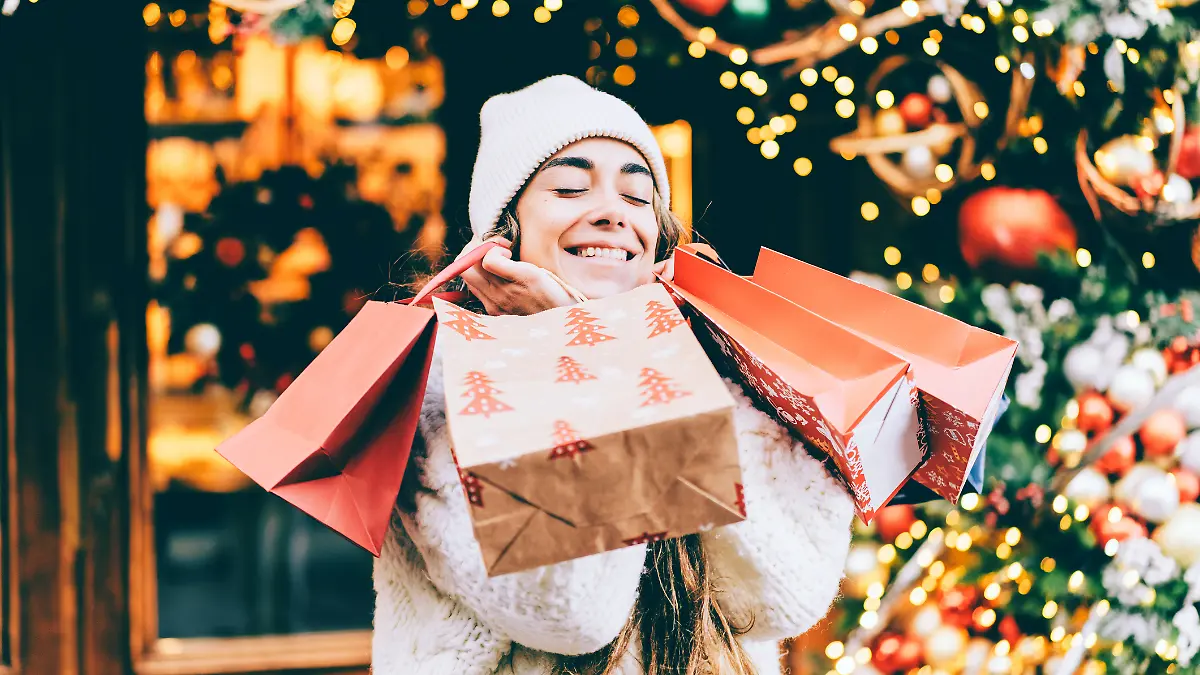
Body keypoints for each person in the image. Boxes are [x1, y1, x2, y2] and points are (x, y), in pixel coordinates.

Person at [372, 74, 856, 675]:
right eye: (571, 188)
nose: (611, 214)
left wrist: (640, 363)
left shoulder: (731, 367)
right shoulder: (443, 391)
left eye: (636, 197)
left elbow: (783, 597)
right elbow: (569, 611)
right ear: (503, 236)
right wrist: (584, 351)